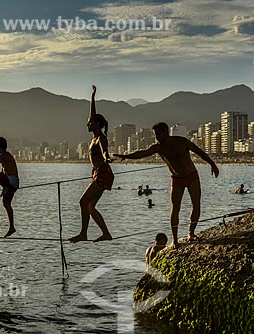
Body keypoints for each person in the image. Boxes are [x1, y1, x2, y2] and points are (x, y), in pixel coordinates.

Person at [114, 122, 219, 249]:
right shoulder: (158, 148)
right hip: (176, 180)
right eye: (155, 135)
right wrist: (126, 156)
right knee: (175, 208)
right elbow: (142, 153)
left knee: (196, 204)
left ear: (166, 133)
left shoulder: (181, 141)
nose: (157, 137)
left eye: (159, 134)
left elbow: (198, 151)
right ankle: (175, 240)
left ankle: (191, 233)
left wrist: (212, 164)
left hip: (192, 176)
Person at [69, 85, 114, 243]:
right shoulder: (95, 136)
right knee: (90, 206)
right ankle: (106, 233)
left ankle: (83, 233)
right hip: (98, 173)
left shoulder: (100, 138)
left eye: (89, 122)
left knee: (82, 201)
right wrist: (93, 97)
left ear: (96, 124)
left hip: (102, 173)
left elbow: (104, 151)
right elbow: (92, 113)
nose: (87, 124)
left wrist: (106, 156)